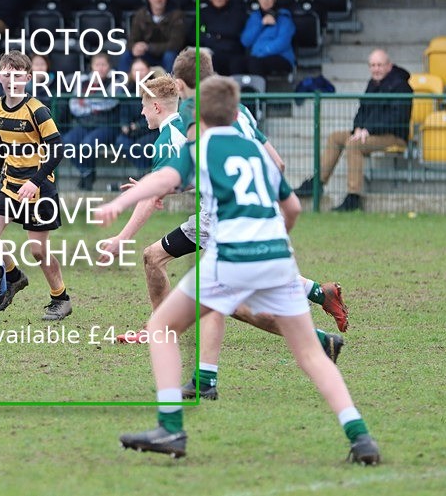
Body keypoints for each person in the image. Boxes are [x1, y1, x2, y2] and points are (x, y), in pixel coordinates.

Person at [95, 76, 380, 465]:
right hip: (278, 256)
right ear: (235, 112)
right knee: (312, 354)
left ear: (199, 112)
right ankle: (361, 437)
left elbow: (165, 179)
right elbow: (292, 208)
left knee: (161, 328)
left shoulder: (201, 146)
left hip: (231, 256)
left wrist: (123, 200)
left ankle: (170, 427)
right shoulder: (253, 149)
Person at [106, 48, 349, 399]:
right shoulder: (241, 110)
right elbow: (277, 165)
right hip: (251, 213)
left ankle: (312, 340)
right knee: (158, 260)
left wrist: (122, 234)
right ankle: (315, 299)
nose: (142, 111)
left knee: (228, 302)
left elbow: (161, 191)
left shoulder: (188, 122)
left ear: (176, 85)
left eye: (144, 105)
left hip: (219, 218)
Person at [0, 51, 73, 320]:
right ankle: (13, 274)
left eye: (17, 75)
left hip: (39, 189)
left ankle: (61, 298)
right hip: (9, 185)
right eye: (6, 74)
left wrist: (35, 181)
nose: (11, 80)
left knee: (38, 251)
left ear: (28, 78)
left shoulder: (37, 110)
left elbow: (57, 150)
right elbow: (1, 142)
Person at [295, 49, 412, 212]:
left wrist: (368, 130)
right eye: (372, 65)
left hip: (393, 136)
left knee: (353, 144)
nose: (376, 69)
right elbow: (361, 110)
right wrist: (358, 127)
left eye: (379, 65)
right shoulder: (372, 84)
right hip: (369, 133)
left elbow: (396, 119)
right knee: (335, 137)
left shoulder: (402, 87)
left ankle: (353, 196)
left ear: (389, 66)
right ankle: (317, 183)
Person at [61, 53, 124, 190]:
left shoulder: (116, 81)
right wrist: (92, 106)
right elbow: (74, 105)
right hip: (86, 123)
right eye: (97, 65)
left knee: (87, 144)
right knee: (67, 142)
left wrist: (87, 103)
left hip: (107, 125)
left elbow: (110, 102)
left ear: (109, 66)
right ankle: (87, 172)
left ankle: (87, 176)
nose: (100, 68)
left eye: (104, 64)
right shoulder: (82, 81)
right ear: (92, 67)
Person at [115, 0, 184, 73]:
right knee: (127, 55)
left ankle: (170, 85)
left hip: (166, 54)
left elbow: (176, 44)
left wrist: (148, 47)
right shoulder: (141, 14)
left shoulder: (176, 15)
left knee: (170, 55)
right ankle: (123, 85)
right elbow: (132, 40)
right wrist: (135, 47)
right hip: (146, 55)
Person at [241, 0, 295, 76]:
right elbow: (245, 41)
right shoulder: (255, 17)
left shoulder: (283, 17)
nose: (265, 0)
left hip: (281, 56)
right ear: (258, 0)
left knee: (255, 63)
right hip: (256, 57)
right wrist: (261, 24)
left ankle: (259, 91)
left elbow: (283, 42)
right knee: (237, 63)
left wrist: (262, 52)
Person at [199, 0, 247, 75]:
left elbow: (233, 30)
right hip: (211, 52)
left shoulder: (237, 11)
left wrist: (211, 34)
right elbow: (194, 34)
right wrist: (211, 37)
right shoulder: (204, 12)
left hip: (233, 53)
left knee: (237, 64)